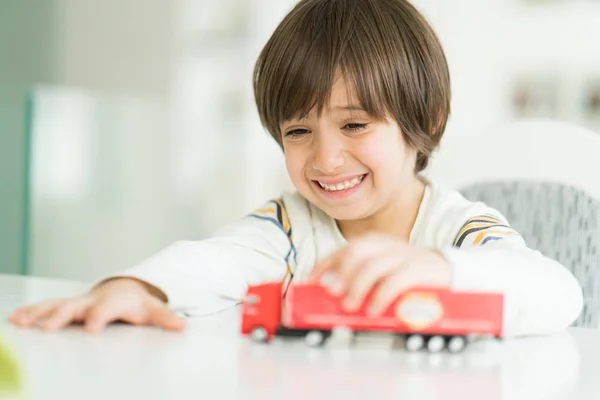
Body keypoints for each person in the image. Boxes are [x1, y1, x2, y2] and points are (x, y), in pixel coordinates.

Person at [9, 0, 582, 337]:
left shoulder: (460, 231)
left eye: (355, 125)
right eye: (298, 132)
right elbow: (214, 261)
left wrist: (439, 269)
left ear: (422, 120)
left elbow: (559, 294)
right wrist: (135, 288)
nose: (326, 158)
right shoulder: (286, 227)